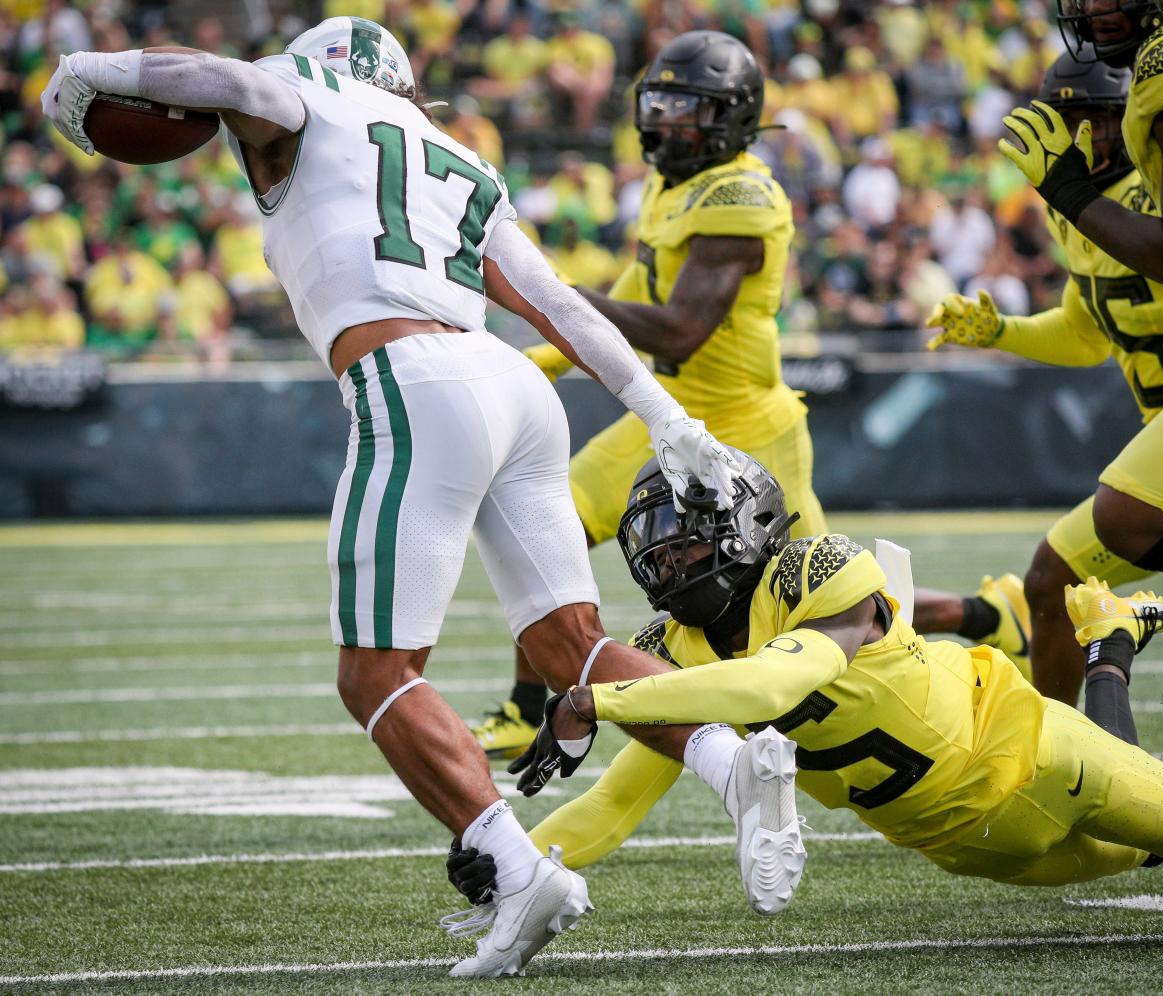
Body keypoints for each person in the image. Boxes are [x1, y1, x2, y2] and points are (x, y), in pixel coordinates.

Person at [41, 17, 805, 977]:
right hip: (516, 391)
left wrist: (79, 73)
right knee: (573, 650)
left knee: (375, 674)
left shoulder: (303, 93)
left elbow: (219, 77)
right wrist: (669, 423)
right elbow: (560, 306)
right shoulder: (455, 156)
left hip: (412, 379)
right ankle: (738, 769)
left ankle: (517, 869)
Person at [454, 453, 1163, 904]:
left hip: (1035, 748)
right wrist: (518, 856)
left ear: (746, 525)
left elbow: (768, 687)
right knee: (1147, 854)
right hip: (963, 843)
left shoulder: (818, 569)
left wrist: (597, 696)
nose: (667, 560)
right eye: (654, 547)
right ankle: (1110, 645)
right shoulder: (674, 648)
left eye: (685, 540)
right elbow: (616, 802)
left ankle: (1109, 644)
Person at [472, 30, 829, 761]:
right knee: (544, 521)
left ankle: (990, 617)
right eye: (658, 102)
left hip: (743, 423)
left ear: (730, 116)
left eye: (685, 107)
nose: (665, 119)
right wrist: (547, 349)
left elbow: (680, 328)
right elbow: (636, 297)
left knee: (817, 597)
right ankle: (525, 702)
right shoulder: (672, 185)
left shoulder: (742, 193)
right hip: (665, 414)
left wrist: (554, 297)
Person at [929, 50, 1163, 705]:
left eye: (1096, 120)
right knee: (1050, 580)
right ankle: (1063, 763)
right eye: (1066, 122)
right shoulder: (1075, 209)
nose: (1081, 139)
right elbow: (1085, 334)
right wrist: (1001, 333)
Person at [1000, 1, 1163, 594]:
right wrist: (998, 331)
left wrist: (1067, 188)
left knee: (1124, 515)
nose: (1092, 8)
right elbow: (1084, 331)